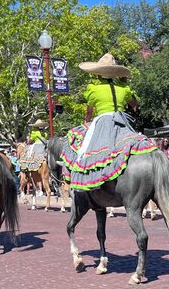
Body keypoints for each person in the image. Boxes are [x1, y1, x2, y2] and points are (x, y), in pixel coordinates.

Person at [62, 53, 155, 193]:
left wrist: (86, 123)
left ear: (99, 74)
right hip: (124, 121)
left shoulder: (94, 88)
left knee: (82, 148)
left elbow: (89, 112)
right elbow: (134, 104)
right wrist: (124, 83)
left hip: (103, 121)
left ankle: (85, 178)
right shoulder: (124, 88)